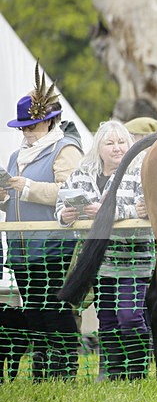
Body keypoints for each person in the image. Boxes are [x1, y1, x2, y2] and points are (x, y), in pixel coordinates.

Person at [1, 69, 82, 379]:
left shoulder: (65, 149)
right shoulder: (14, 156)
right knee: (33, 312)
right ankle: (42, 372)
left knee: (54, 310)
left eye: (30, 126)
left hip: (53, 244)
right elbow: (15, 200)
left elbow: (70, 193)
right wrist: (4, 197)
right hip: (22, 248)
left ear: (48, 121)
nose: (26, 133)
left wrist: (27, 187)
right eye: (23, 127)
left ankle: (65, 372)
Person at [56, 120, 152, 380]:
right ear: (98, 147)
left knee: (129, 316)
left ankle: (137, 372)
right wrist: (65, 215)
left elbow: (146, 209)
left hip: (134, 258)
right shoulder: (82, 172)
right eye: (110, 143)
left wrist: (108, 213)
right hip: (98, 259)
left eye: (121, 142)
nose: (117, 148)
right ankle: (112, 373)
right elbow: (61, 201)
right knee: (107, 318)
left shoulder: (140, 171)